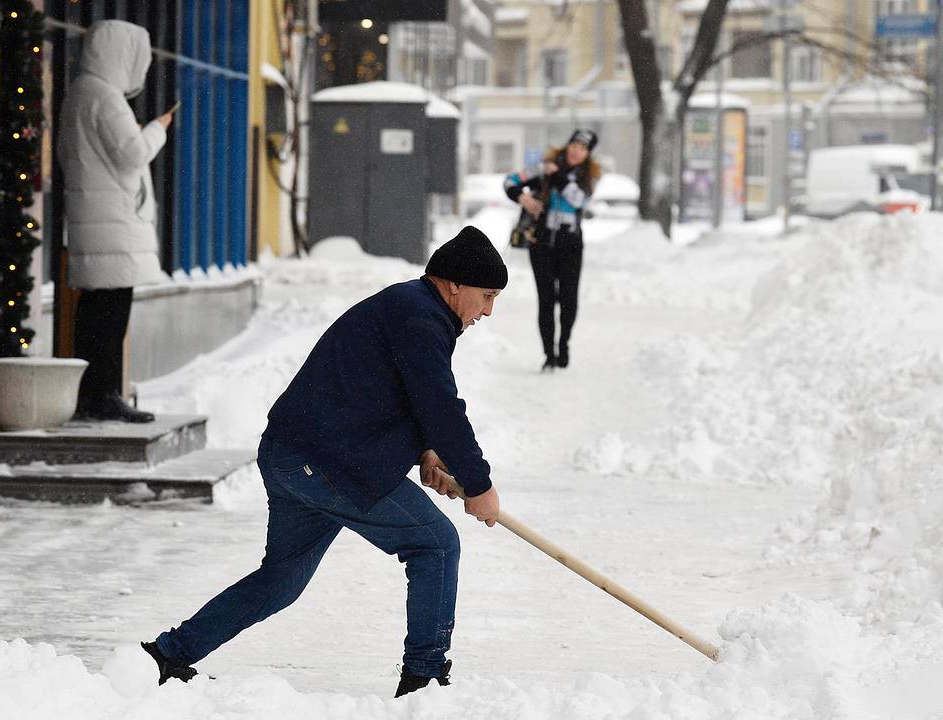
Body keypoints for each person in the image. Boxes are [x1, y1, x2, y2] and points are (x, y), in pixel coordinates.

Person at [141, 226, 506, 697]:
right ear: (455, 283)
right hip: (329, 464)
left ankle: (166, 655)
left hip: (293, 455)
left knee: (282, 579)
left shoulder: (411, 307)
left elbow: (395, 394)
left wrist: (426, 451)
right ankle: (424, 680)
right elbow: (439, 407)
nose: (489, 311)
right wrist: (479, 485)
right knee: (435, 545)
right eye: (487, 295)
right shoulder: (421, 319)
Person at [57, 20, 176, 422]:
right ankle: (102, 395)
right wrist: (158, 130)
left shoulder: (83, 92)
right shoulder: (104, 96)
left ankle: (93, 393)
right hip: (112, 223)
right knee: (109, 314)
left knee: (97, 310)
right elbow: (131, 154)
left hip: (99, 220)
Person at [503, 129, 602, 370]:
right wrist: (523, 198)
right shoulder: (543, 168)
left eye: (582, 148)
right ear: (567, 145)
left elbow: (578, 200)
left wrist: (557, 175)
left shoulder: (588, 176)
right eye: (574, 145)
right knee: (546, 300)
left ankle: (564, 343)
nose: (576, 150)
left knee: (569, 299)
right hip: (542, 242)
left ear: (588, 154)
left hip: (570, 243)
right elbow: (510, 182)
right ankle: (549, 353)